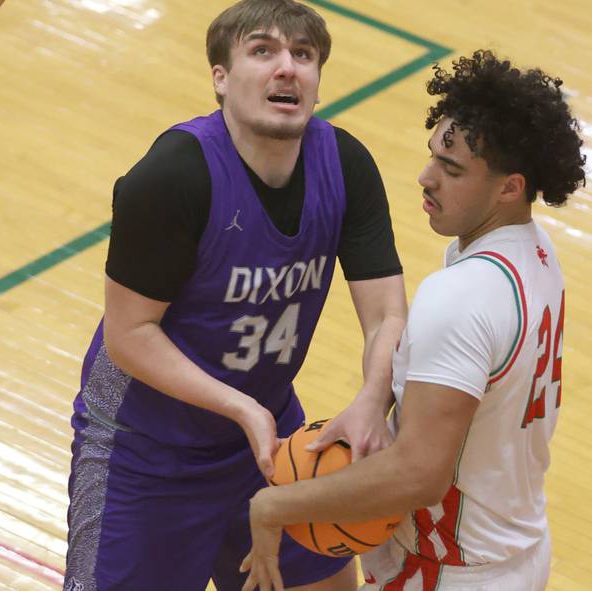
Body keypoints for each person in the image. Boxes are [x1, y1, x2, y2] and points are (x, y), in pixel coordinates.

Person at [63, 1, 407, 590]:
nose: (288, 68)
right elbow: (129, 336)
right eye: (263, 51)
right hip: (145, 451)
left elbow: (386, 313)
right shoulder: (172, 177)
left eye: (303, 55)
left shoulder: (346, 164)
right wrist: (243, 407)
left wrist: (374, 396)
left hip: (268, 438)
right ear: (220, 78)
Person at [241, 49, 586, 591]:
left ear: (509, 187)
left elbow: (418, 474)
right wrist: (374, 399)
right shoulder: (533, 252)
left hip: (447, 569)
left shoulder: (461, 295)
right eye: (433, 157)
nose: (425, 178)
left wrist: (274, 505)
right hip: (515, 548)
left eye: (451, 170)